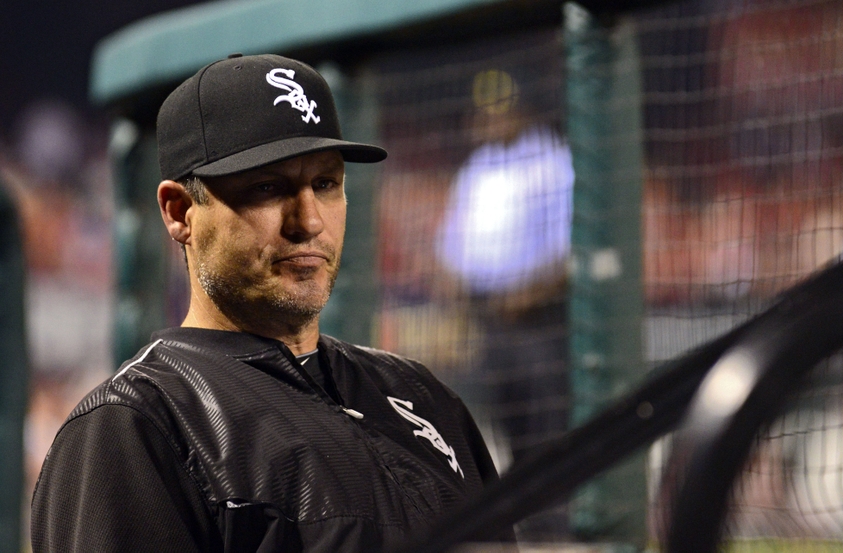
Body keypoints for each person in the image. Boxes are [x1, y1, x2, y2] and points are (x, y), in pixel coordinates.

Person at [31, 53, 510, 552]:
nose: (308, 222)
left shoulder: (424, 398)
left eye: (325, 184)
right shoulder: (137, 425)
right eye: (267, 188)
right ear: (180, 212)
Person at [435, 69, 573, 541]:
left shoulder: (551, 160)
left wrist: (527, 296)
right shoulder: (478, 167)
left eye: (502, 110)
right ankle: (529, 528)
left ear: (522, 108)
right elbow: (453, 248)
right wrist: (458, 309)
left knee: (546, 428)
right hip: (489, 317)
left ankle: (557, 529)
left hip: (541, 320)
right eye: (486, 112)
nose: (492, 120)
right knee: (507, 428)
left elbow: (568, 251)